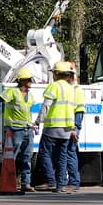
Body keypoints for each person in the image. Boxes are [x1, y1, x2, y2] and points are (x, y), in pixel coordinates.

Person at [35, 60, 77, 193]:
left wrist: (38, 121)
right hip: (67, 129)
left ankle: (51, 181)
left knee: (44, 153)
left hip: (52, 127)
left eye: (54, 73)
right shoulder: (71, 89)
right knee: (62, 157)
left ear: (57, 74)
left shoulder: (54, 86)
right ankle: (60, 185)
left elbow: (46, 105)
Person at [65, 61, 85, 192]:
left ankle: (73, 182)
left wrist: (74, 129)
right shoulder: (72, 89)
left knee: (69, 152)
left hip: (72, 126)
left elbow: (78, 111)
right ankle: (70, 182)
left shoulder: (75, 90)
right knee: (68, 153)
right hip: (69, 126)